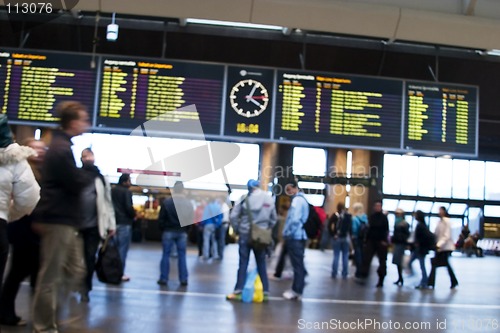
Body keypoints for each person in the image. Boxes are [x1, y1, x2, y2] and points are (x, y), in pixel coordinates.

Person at [31, 101, 91, 333]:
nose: (87, 123)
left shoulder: (62, 146)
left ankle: (56, 315)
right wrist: (87, 170)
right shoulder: (60, 149)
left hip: (65, 220)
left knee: (76, 269)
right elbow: (75, 183)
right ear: (73, 122)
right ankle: (44, 326)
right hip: (57, 220)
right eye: (84, 119)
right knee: (51, 276)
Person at [0, 119, 41, 326]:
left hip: (22, 230)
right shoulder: (16, 161)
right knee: (16, 274)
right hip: (12, 227)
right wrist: (7, 214)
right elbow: (28, 200)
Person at [226, 179, 276, 301]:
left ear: (249, 188)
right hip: (262, 237)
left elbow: (233, 216)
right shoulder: (268, 199)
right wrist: (265, 229)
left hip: (245, 235)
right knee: (261, 263)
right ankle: (265, 292)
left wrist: (238, 229)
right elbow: (273, 219)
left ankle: (238, 291)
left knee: (243, 263)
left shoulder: (244, 198)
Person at [79, 148, 116, 302]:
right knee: (74, 258)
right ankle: (75, 285)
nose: (88, 158)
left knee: (88, 257)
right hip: (76, 225)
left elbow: (108, 203)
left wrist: (111, 224)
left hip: (95, 226)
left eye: (90, 156)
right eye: (85, 156)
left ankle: (85, 288)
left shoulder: (100, 178)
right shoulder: (76, 176)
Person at [157, 181, 194, 286]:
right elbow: (190, 219)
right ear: (182, 190)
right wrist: (186, 230)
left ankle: (163, 278)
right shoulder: (188, 203)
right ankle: (183, 279)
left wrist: (163, 228)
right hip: (182, 232)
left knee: (166, 254)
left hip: (168, 231)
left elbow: (161, 218)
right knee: (182, 256)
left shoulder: (167, 202)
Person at [281, 180, 309, 300]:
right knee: (298, 264)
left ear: (295, 188)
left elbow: (294, 220)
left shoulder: (297, 201)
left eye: (289, 190)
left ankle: (296, 290)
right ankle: (297, 289)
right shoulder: (303, 200)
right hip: (299, 236)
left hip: (295, 237)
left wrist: (287, 232)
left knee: (297, 265)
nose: (288, 193)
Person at [356, 200, 389, 288]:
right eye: (376, 206)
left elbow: (386, 230)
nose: (377, 207)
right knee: (366, 259)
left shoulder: (383, 218)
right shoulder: (372, 217)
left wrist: (384, 240)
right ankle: (363, 276)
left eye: (379, 206)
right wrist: (366, 240)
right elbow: (368, 229)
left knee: (382, 261)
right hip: (371, 240)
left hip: (380, 241)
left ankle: (381, 279)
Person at [112, 173, 136, 281]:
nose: (130, 183)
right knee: (122, 249)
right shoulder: (127, 192)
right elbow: (128, 207)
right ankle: (120, 273)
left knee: (113, 248)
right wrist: (133, 215)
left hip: (112, 222)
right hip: (124, 222)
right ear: (125, 181)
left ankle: (111, 271)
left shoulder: (112, 190)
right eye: (129, 180)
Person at [427, 206, 459, 289]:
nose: (439, 212)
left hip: (445, 247)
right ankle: (431, 282)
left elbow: (447, 235)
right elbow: (437, 234)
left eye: (440, 210)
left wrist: (439, 244)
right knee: (442, 264)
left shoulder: (447, 222)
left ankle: (431, 282)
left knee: (439, 264)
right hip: (441, 247)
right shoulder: (440, 222)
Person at [329, 202, 352, 279]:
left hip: (337, 237)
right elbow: (350, 228)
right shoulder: (348, 216)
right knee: (345, 255)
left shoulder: (335, 215)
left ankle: (334, 272)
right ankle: (344, 273)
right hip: (345, 237)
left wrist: (333, 234)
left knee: (336, 255)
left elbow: (329, 225)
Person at [413, 210, 433, 289]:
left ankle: (424, 281)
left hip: (421, 249)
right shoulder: (423, 225)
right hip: (420, 248)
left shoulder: (421, 226)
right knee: (420, 265)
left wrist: (418, 243)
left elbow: (424, 237)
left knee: (422, 265)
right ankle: (424, 281)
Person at [391, 208, 410, 286]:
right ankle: (400, 277)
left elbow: (406, 235)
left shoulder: (404, 224)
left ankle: (401, 278)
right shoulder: (397, 223)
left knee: (399, 261)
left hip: (401, 243)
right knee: (397, 261)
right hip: (397, 243)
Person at [351, 202, 367, 278]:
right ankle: (363, 271)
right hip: (364, 239)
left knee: (358, 255)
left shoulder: (355, 219)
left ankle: (358, 271)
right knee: (363, 255)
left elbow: (354, 230)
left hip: (357, 238)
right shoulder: (365, 218)